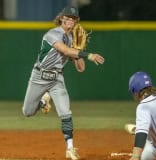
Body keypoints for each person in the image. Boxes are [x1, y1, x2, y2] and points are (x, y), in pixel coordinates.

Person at [22, 6, 104, 160]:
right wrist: (88, 54)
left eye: (73, 18)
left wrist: (79, 49)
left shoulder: (72, 40)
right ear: (61, 18)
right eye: (67, 17)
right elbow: (65, 51)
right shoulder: (52, 34)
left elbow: (80, 68)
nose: (70, 20)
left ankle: (70, 148)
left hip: (56, 79)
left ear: (75, 22)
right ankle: (43, 101)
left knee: (65, 112)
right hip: (39, 76)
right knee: (27, 112)